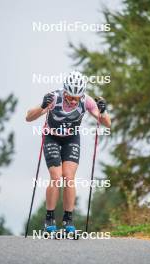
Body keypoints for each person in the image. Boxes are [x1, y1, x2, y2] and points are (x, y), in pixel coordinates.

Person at [26, 70, 111, 233]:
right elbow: (28, 117)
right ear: (64, 91)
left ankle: (68, 221)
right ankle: (49, 219)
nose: (73, 101)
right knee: (56, 177)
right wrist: (43, 105)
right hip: (52, 137)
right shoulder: (54, 98)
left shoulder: (86, 101)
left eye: (76, 98)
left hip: (71, 139)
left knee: (69, 177)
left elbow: (107, 123)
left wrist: (104, 110)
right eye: (70, 96)